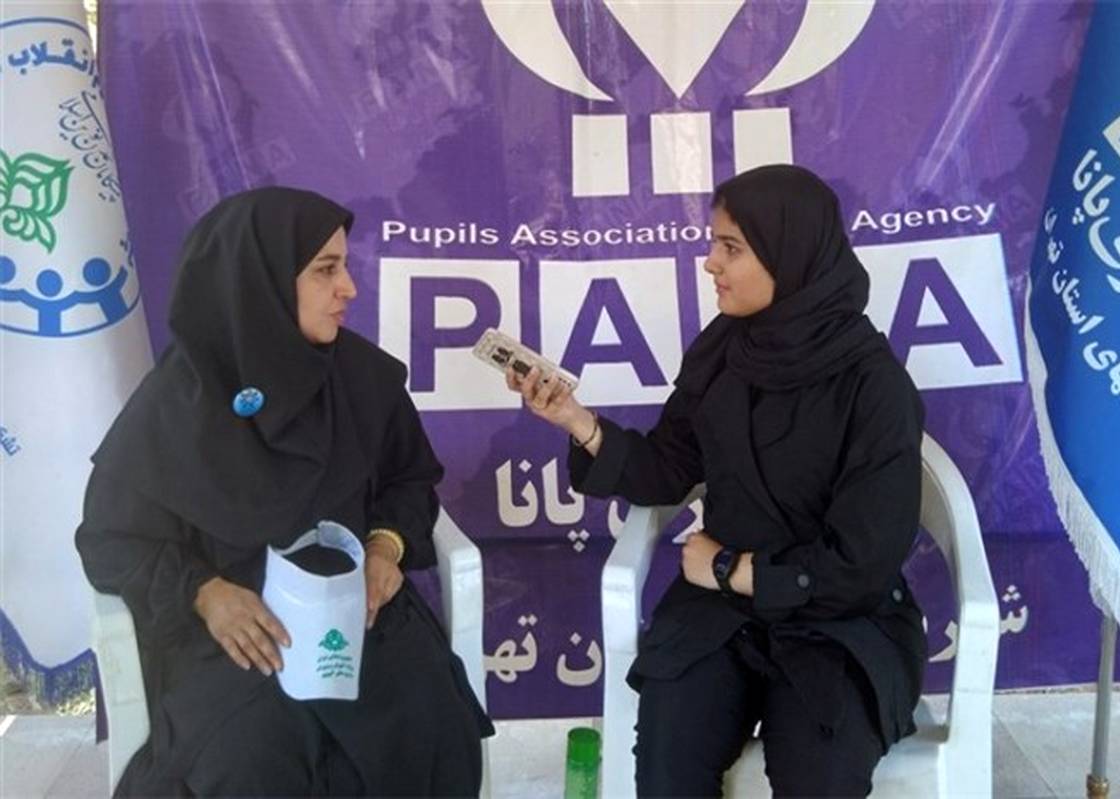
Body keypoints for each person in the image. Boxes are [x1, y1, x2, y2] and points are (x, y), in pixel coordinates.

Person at [509, 165, 926, 797]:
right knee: (669, 761)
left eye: (731, 247)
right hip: (724, 616)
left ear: (790, 255)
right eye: (713, 244)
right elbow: (670, 467)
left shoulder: (875, 387)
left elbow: (863, 563)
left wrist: (733, 568)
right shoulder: (726, 351)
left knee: (819, 772)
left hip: (839, 620)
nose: (710, 263)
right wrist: (578, 422)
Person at [77, 187, 492, 797]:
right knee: (250, 759)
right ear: (260, 282)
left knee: (427, 727)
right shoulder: (175, 405)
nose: (348, 288)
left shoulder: (365, 380)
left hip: (362, 618)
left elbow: (409, 478)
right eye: (326, 270)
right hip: (236, 637)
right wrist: (205, 593)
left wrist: (386, 545)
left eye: (344, 267)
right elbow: (112, 539)